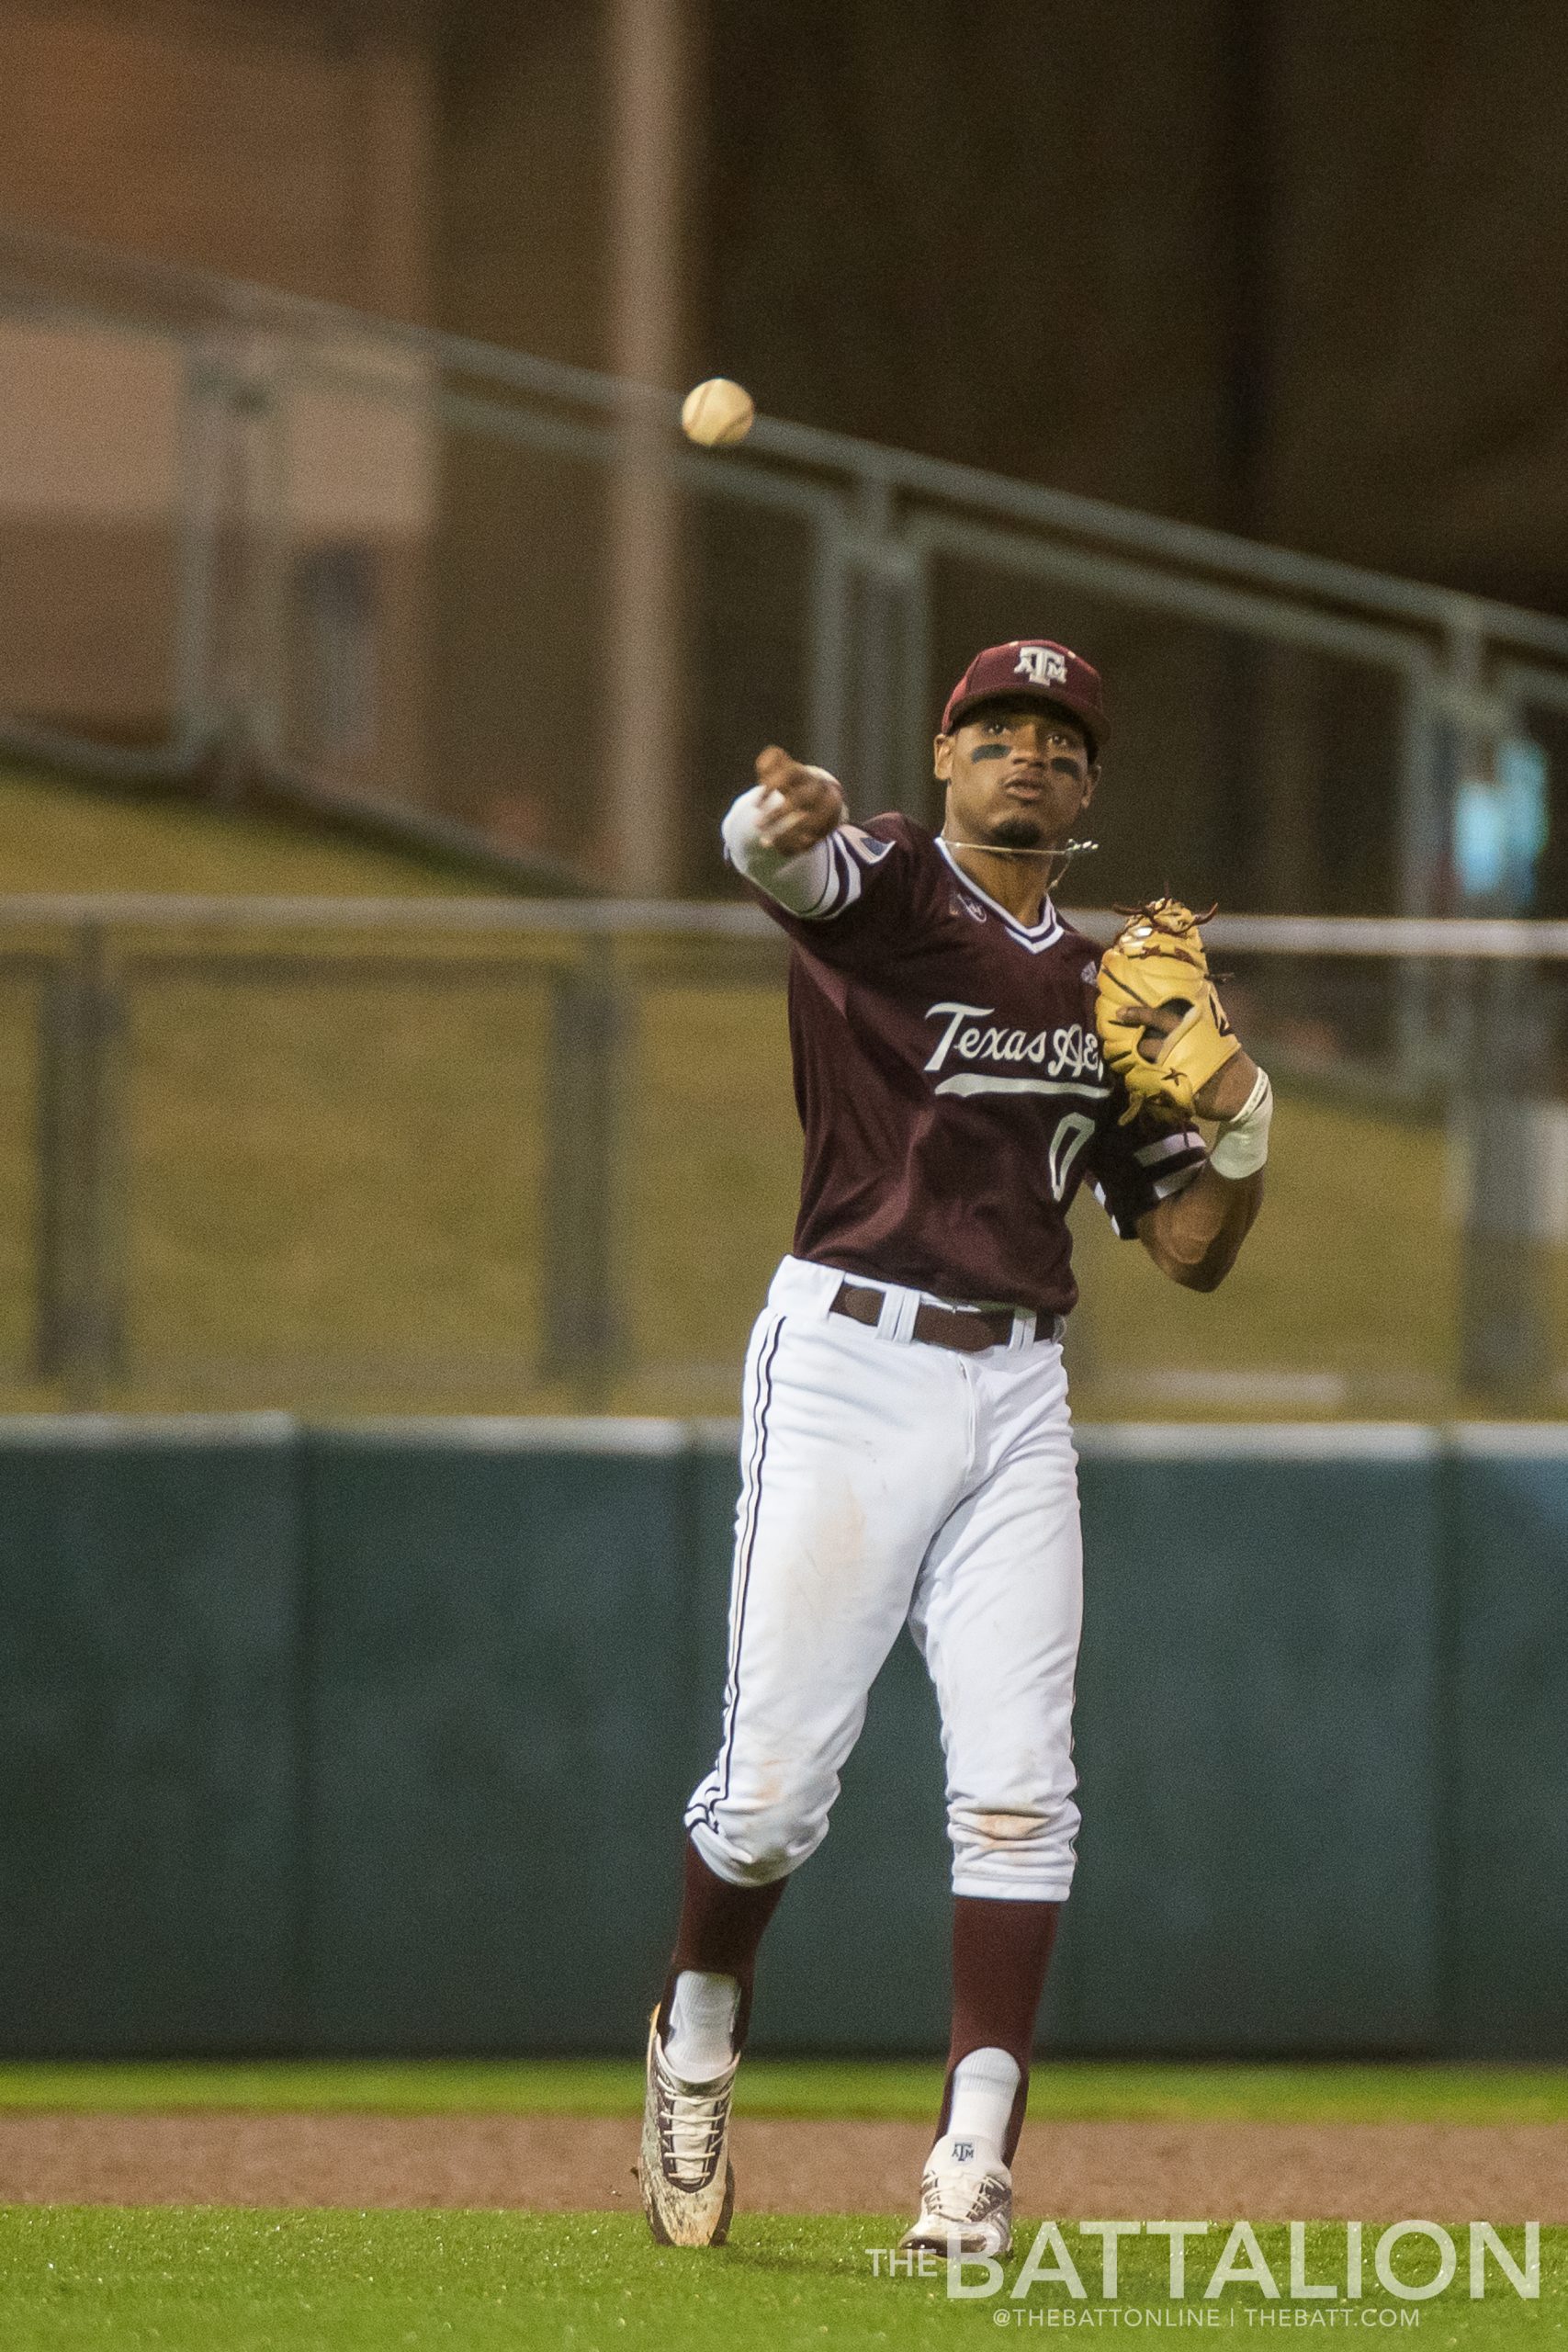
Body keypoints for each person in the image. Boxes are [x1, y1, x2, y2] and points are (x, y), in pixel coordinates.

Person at [637, 639, 1271, 2254]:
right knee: (774, 1797)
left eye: (1059, 739)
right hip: (851, 1359)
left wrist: (1247, 1128)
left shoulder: (1118, 986)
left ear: (1091, 785)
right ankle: (696, 2029)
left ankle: (972, 2157)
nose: (1028, 756)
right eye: (998, 729)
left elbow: (1192, 1248)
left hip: (1017, 1390)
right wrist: (773, 817)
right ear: (944, 755)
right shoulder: (900, 887)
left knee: (1020, 1794)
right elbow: (783, 858)